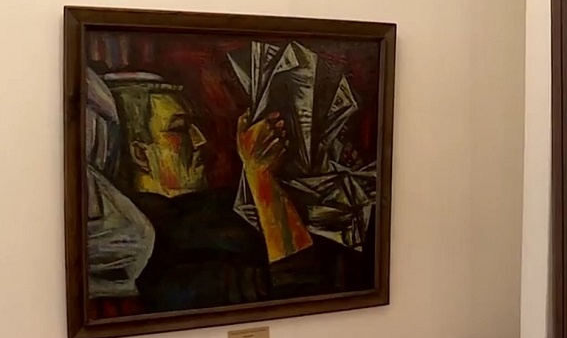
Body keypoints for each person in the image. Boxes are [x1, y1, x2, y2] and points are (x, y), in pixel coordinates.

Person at [97, 73, 372, 316]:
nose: (201, 140)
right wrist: (260, 175)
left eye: (196, 126)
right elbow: (299, 291)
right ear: (140, 155)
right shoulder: (152, 255)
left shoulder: (219, 203)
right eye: (179, 129)